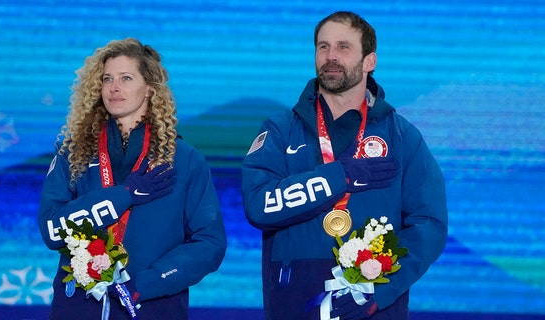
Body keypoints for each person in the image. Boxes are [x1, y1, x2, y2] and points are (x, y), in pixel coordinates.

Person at [241, 11, 448, 320]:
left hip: (374, 303)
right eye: (323, 47)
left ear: (369, 61)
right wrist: (340, 175)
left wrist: (382, 288)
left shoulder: (402, 136)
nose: (331, 56)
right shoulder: (280, 130)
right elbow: (259, 205)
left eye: (343, 47)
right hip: (294, 301)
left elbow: (429, 224)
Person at [38, 38, 227, 320]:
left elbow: (210, 243)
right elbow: (52, 229)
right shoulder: (73, 153)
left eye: (126, 78)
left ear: (150, 89)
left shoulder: (185, 159)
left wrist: (143, 285)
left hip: (152, 306)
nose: (114, 88)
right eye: (107, 79)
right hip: (79, 307)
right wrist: (123, 195)